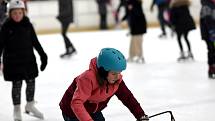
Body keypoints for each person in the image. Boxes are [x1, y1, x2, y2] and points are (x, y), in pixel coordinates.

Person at [59, 48, 149, 121]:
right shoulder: (87, 78)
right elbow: (76, 103)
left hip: (93, 109)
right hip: (72, 111)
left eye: (119, 72)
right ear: (103, 71)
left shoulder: (116, 80)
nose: (118, 76)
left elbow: (128, 98)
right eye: (114, 73)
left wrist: (140, 115)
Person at [0, 0, 48, 120]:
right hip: (12, 62)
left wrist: (43, 55)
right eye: (14, 13)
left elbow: (35, 42)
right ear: (10, 14)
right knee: (17, 85)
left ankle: (30, 104)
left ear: (24, 13)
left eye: (20, 13)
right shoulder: (6, 27)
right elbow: (0, 45)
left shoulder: (28, 25)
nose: (17, 15)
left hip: (28, 61)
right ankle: (17, 108)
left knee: (31, 82)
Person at [200, 0, 215, 79]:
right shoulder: (207, 5)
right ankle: (211, 68)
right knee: (211, 50)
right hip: (209, 33)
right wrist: (211, 32)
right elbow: (207, 19)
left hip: (211, 32)